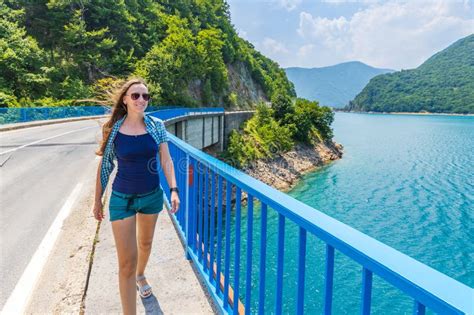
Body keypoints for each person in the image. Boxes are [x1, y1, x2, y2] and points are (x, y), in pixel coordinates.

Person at [92, 77, 180, 314]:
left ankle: (142, 275)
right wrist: (97, 199)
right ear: (125, 99)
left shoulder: (156, 126)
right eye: (136, 95)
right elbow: (105, 165)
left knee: (146, 243)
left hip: (151, 196)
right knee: (126, 264)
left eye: (145, 96)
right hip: (122, 199)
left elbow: (166, 159)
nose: (141, 100)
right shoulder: (114, 129)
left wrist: (174, 189)